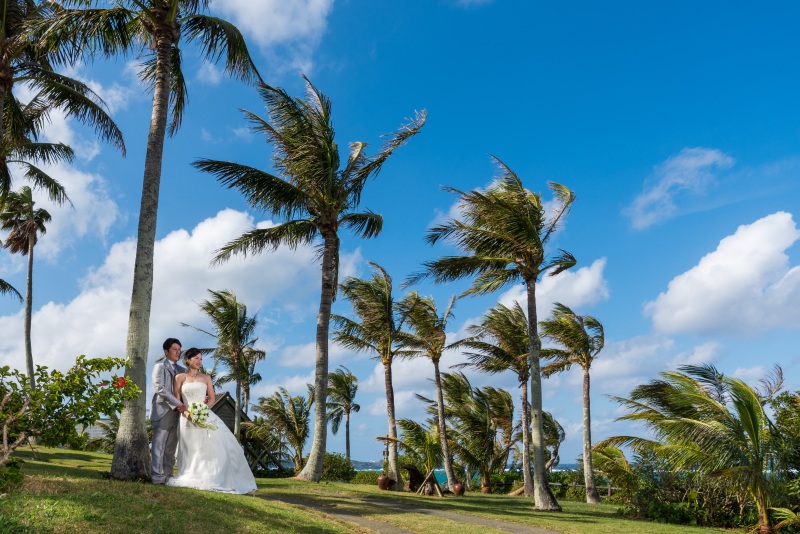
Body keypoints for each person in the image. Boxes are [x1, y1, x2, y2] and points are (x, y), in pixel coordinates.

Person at [166, 348, 258, 494]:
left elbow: (213, 398)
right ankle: (191, 474)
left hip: (204, 415)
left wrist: (203, 410)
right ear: (188, 359)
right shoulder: (179, 378)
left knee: (217, 445)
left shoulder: (206, 377)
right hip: (187, 418)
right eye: (196, 358)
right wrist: (186, 413)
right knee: (191, 448)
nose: (199, 361)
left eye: (201, 359)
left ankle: (213, 476)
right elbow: (177, 400)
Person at [151, 337, 186, 485]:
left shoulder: (183, 370)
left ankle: (168, 477)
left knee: (171, 447)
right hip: (163, 409)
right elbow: (160, 388)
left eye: (179, 349)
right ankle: (157, 478)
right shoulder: (159, 367)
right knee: (158, 446)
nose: (178, 352)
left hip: (178, 413)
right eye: (174, 349)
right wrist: (178, 403)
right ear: (166, 352)